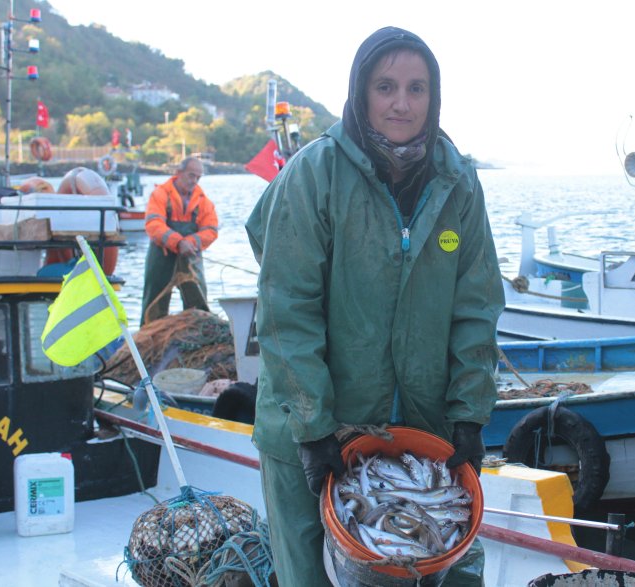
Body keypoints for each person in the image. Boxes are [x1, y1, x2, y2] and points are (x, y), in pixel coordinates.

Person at [246, 26, 505, 586]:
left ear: (435, 97)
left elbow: (477, 306)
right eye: (385, 87)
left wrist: (469, 414)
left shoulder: (458, 183)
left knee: (448, 567)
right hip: (308, 430)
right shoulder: (313, 174)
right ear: (361, 92)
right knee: (307, 575)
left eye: (417, 88)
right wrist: (314, 427)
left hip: (419, 432)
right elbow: (287, 310)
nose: (401, 103)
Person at [141, 156, 218, 325]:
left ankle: (200, 333)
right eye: (191, 175)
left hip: (190, 255)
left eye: (198, 177)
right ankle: (150, 334)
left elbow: (211, 230)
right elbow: (153, 224)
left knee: (198, 301)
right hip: (161, 256)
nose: (194, 181)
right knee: (154, 303)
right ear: (178, 172)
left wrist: (191, 242)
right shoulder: (160, 194)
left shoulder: (203, 201)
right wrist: (178, 242)